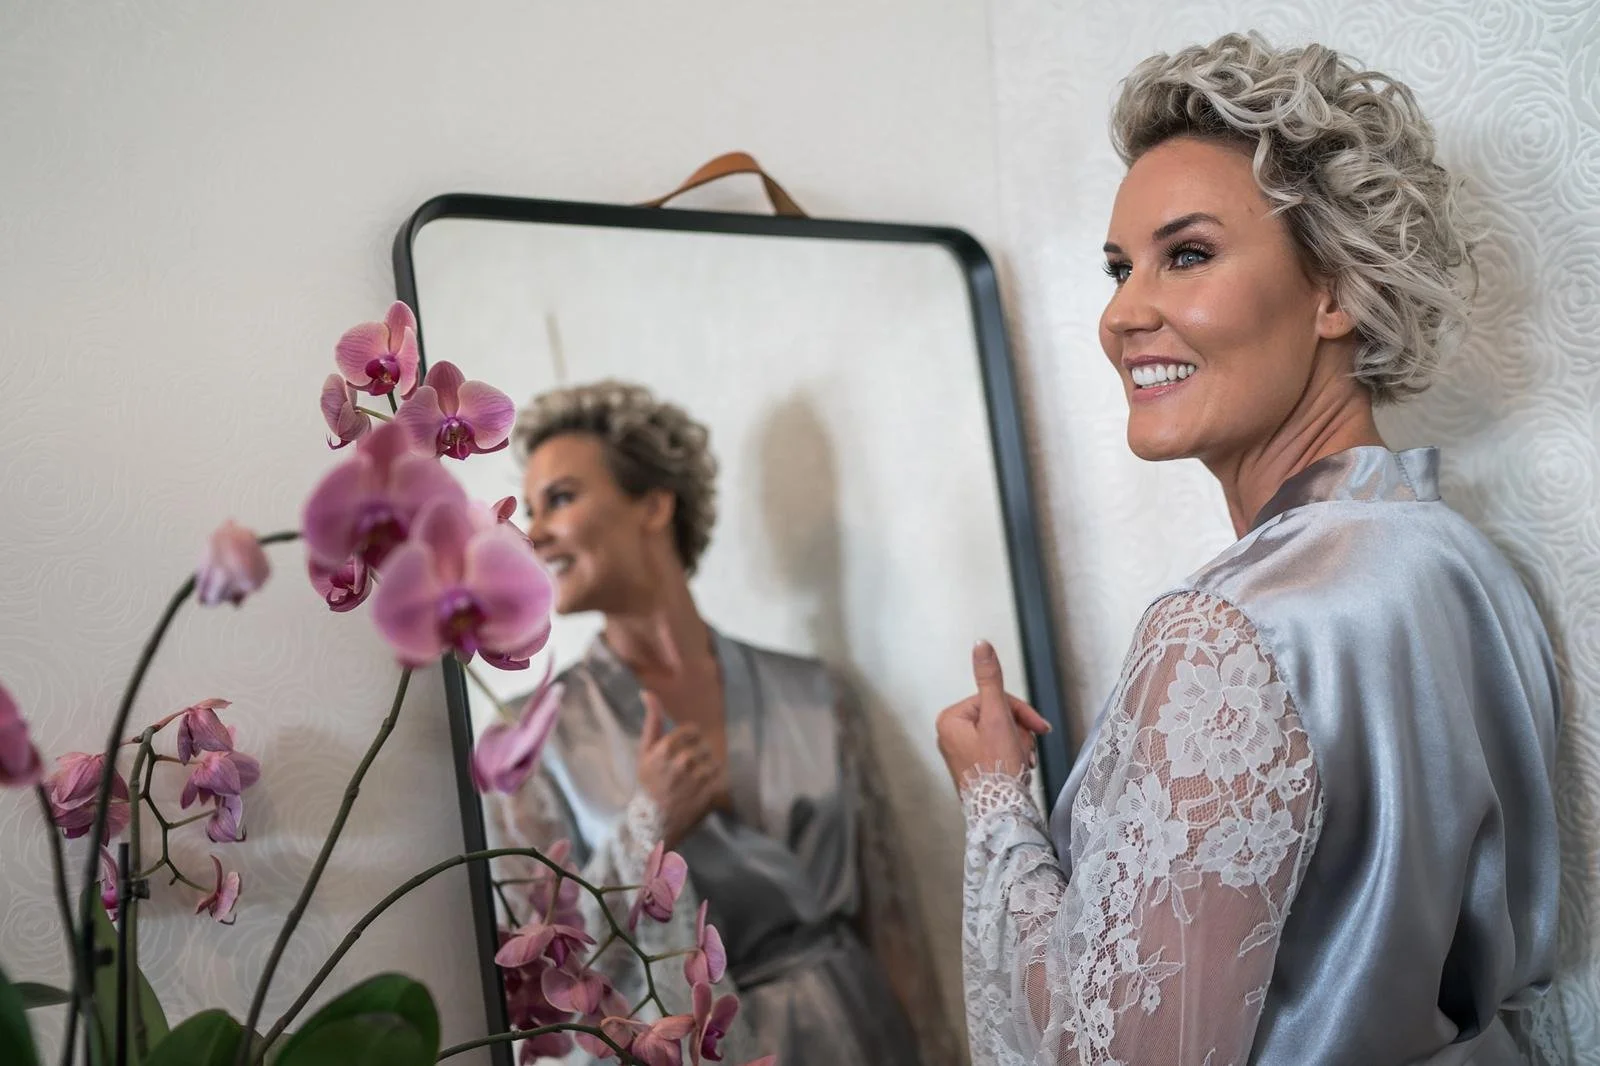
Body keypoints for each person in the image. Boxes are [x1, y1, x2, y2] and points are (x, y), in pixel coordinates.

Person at [938, 33, 1564, 1066]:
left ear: (1337, 291)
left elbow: (1117, 1055)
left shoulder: (1226, 629)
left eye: (1185, 254)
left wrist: (998, 798)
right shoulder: (1460, 562)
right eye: (1116, 266)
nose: (1120, 313)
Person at [486, 381, 955, 1066]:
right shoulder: (530, 739)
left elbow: (890, 924)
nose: (534, 533)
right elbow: (549, 980)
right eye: (528, 510)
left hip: (861, 1031)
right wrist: (649, 826)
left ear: (653, 503)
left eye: (559, 498)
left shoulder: (816, 692)